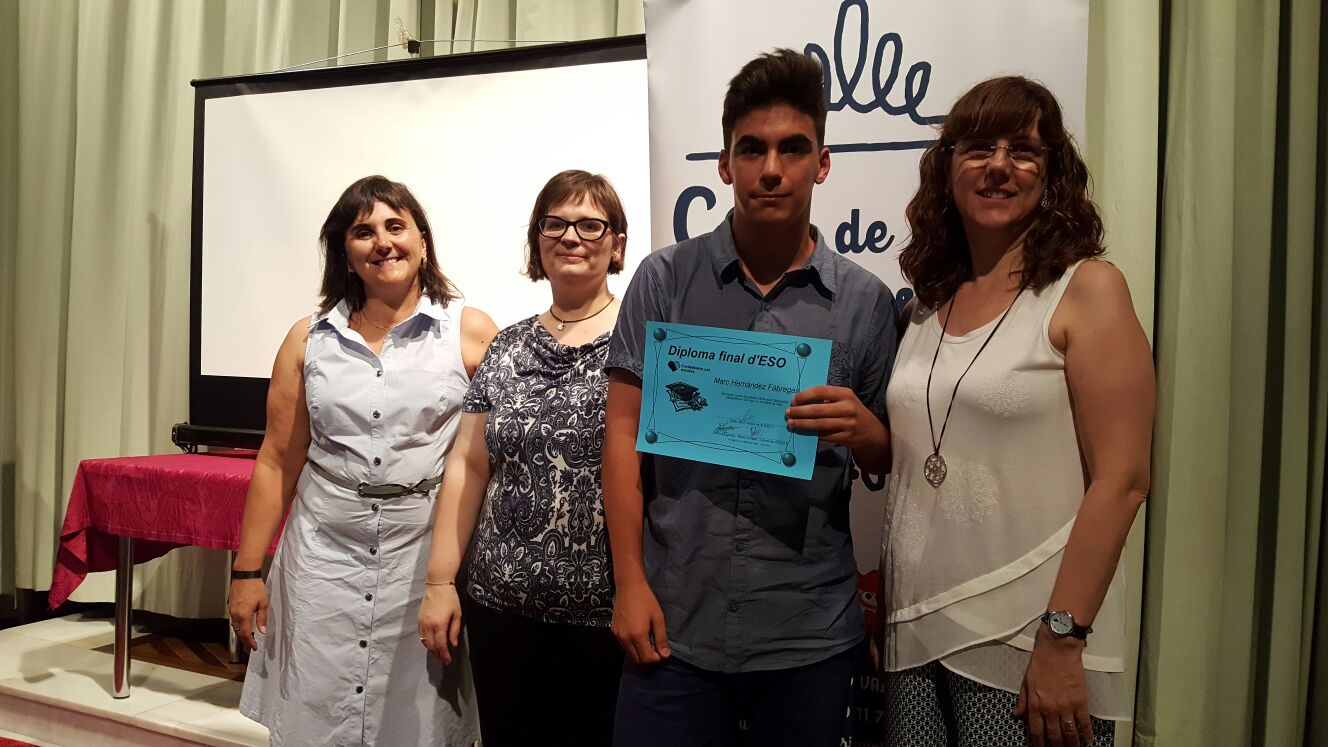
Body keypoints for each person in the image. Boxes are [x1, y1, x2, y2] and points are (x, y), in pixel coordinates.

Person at [603, 49, 897, 747]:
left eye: (793, 148)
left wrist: (863, 429)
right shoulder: (663, 280)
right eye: (752, 149)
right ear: (724, 164)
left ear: (822, 163)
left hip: (808, 633)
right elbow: (621, 436)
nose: (771, 169)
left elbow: (889, 459)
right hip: (674, 622)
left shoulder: (864, 302)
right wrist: (629, 583)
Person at [878, 76, 1154, 747]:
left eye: (1023, 150)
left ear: (1052, 172)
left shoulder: (1087, 289)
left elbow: (1123, 480)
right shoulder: (926, 305)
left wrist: (1063, 638)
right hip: (915, 633)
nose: (999, 165)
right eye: (978, 147)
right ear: (947, 167)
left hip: (1028, 644)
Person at [227, 175, 496, 747]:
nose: (383, 242)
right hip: (321, 559)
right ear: (344, 252)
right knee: (314, 716)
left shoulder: (469, 332)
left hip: (423, 563)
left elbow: (493, 458)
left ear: (422, 240)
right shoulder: (308, 339)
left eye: (396, 226)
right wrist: (247, 574)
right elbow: (276, 461)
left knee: (418, 723)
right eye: (363, 231)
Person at [417, 169, 629, 746]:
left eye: (590, 224)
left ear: (617, 245)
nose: (571, 236)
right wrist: (440, 581)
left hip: (607, 618)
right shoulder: (506, 347)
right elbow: (468, 464)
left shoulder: (643, 344)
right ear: (538, 241)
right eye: (554, 224)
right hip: (499, 612)